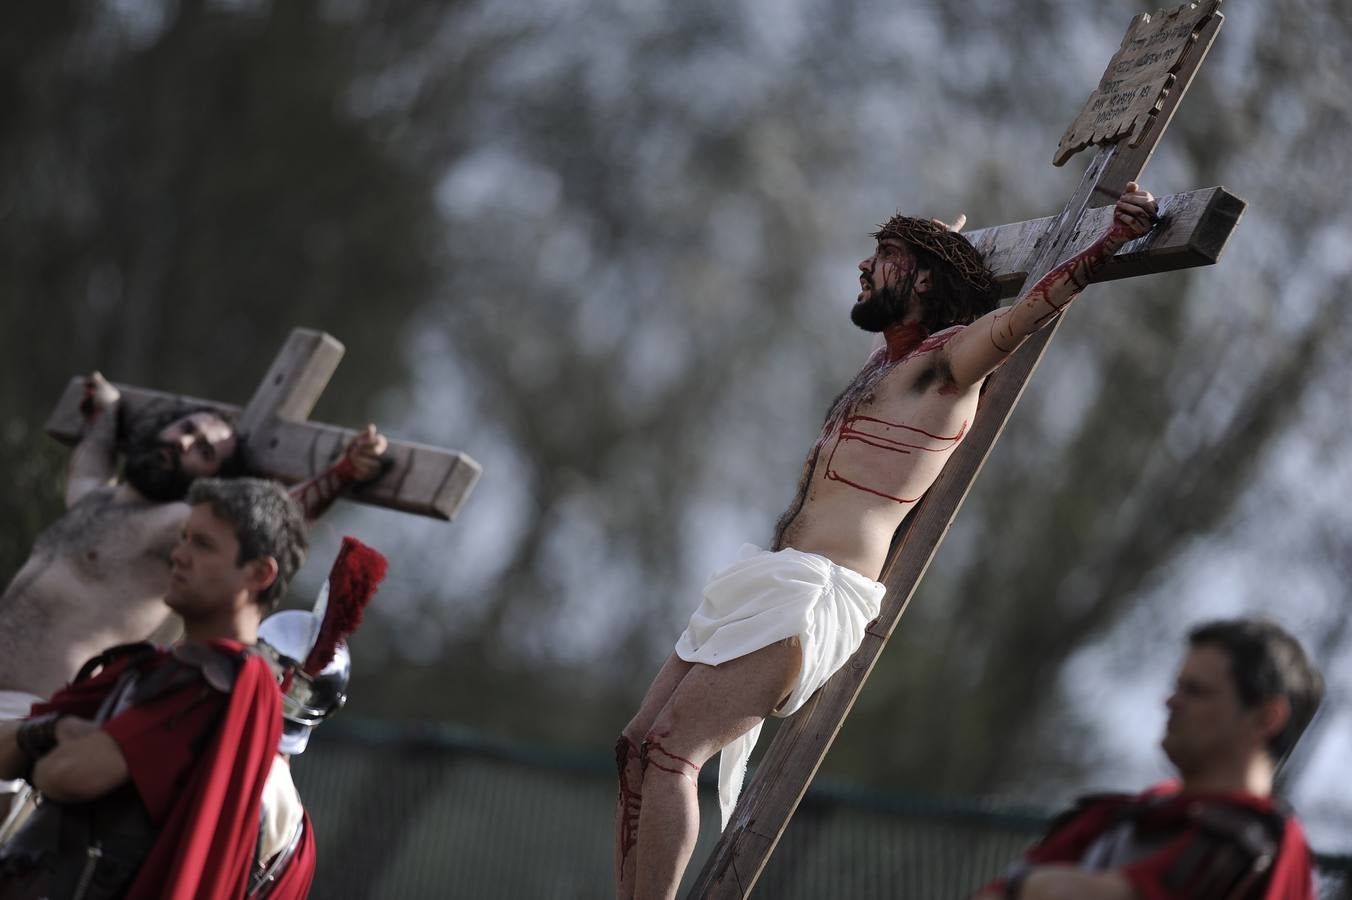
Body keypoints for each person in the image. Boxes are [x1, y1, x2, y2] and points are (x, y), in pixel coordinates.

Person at [614, 184, 1161, 899]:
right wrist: (927, 236)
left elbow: (1031, 310)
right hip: (769, 578)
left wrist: (1110, 241)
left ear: (925, 279)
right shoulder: (884, 363)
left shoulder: (947, 367)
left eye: (884, 258)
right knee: (633, 751)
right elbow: (909, 292)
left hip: (816, 594)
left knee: (672, 754)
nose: (864, 268)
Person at [0, 374, 387, 823]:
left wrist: (342, 475)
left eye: (205, 450)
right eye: (185, 429)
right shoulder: (92, 498)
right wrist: (107, 412)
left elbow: (268, 523)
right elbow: (90, 458)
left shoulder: (177, 525)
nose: (186, 443)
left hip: (29, 714)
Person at [0, 477, 308, 898]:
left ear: (258, 573)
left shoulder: (219, 687)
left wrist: (45, 741)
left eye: (202, 544)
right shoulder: (146, 669)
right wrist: (50, 732)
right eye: (182, 539)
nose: (178, 555)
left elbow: (66, 776)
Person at [969, 618, 1323, 900]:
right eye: (1177, 686)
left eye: (1195, 691)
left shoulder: (1264, 846)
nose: (1171, 702)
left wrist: (1040, 887)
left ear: (1266, 718)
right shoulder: (1113, 818)